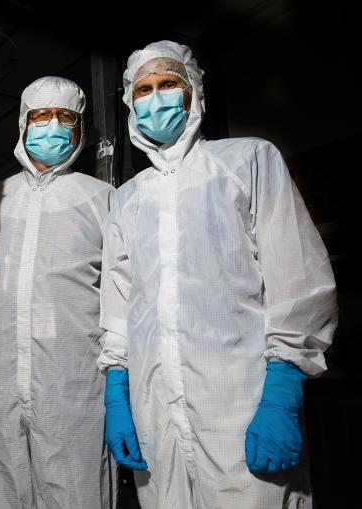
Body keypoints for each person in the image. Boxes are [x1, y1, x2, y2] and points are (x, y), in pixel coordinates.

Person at [97, 40, 338, 508]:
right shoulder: (126, 199)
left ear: (194, 93)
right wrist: (116, 393)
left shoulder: (247, 162)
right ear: (129, 103)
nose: (156, 97)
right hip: (155, 416)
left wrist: (282, 392)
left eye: (169, 84)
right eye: (143, 89)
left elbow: (299, 280)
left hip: (241, 407)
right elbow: (120, 305)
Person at [0, 76, 116, 508]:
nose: (52, 126)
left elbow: (123, 299)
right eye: (41, 115)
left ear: (80, 129)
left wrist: (121, 382)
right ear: (23, 123)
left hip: (75, 388)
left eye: (65, 117)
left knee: (77, 495)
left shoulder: (107, 201)